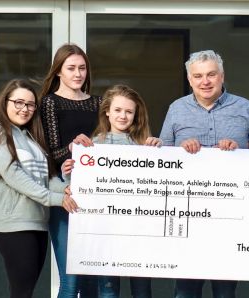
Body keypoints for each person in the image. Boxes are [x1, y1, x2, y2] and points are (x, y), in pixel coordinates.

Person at [159, 50, 249, 298]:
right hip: (188, 216)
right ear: (189, 80)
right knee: (185, 291)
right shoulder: (176, 109)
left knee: (225, 292)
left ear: (222, 76)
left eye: (211, 74)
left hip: (231, 217)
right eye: (198, 76)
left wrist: (239, 151)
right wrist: (181, 150)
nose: (204, 81)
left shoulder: (245, 107)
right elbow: (162, 156)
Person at [0, 79, 78, 298]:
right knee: (22, 292)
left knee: (24, 292)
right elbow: (14, 176)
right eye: (18, 102)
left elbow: (45, 177)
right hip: (14, 225)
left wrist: (66, 188)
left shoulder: (30, 136)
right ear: (5, 102)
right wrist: (56, 199)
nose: (24, 109)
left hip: (37, 223)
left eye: (30, 105)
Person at [61, 84, 161, 298]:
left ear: (135, 115)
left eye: (129, 111)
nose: (123, 116)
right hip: (105, 231)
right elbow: (78, 185)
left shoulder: (145, 146)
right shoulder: (92, 145)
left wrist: (160, 152)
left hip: (139, 230)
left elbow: (160, 182)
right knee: (108, 289)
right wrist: (68, 171)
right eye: (117, 110)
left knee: (142, 290)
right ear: (107, 111)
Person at [39, 43, 101, 298]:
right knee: (70, 279)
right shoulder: (49, 103)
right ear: (58, 72)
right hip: (66, 195)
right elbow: (51, 152)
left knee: (91, 283)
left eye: (82, 68)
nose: (78, 74)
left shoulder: (98, 102)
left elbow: (106, 146)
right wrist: (73, 148)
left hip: (97, 195)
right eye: (71, 68)